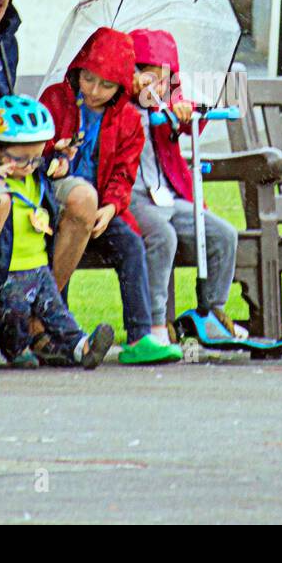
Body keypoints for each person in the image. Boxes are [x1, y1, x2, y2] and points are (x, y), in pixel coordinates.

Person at [37, 28, 182, 365]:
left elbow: (123, 174)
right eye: (88, 79)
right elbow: (34, 146)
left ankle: (139, 336)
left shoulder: (129, 119)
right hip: (52, 205)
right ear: (78, 71)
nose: (94, 91)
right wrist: (52, 156)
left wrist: (111, 207)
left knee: (130, 245)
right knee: (55, 244)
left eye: (106, 85)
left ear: (120, 88)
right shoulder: (56, 99)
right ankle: (55, 334)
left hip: (100, 208)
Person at [0, 95, 115, 368]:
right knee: (15, 314)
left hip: (40, 269)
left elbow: (51, 167)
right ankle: (15, 350)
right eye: (20, 159)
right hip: (10, 272)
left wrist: (58, 159)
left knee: (56, 312)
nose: (29, 166)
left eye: (35, 159)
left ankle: (81, 346)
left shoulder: (34, 177)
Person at [127, 29, 241, 346]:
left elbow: (192, 118)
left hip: (169, 198)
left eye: (164, 80)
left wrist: (185, 113)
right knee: (162, 237)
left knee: (222, 234)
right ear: (132, 75)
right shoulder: (117, 107)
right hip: (133, 199)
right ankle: (153, 324)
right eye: (148, 78)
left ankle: (214, 310)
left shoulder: (168, 105)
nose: (156, 87)